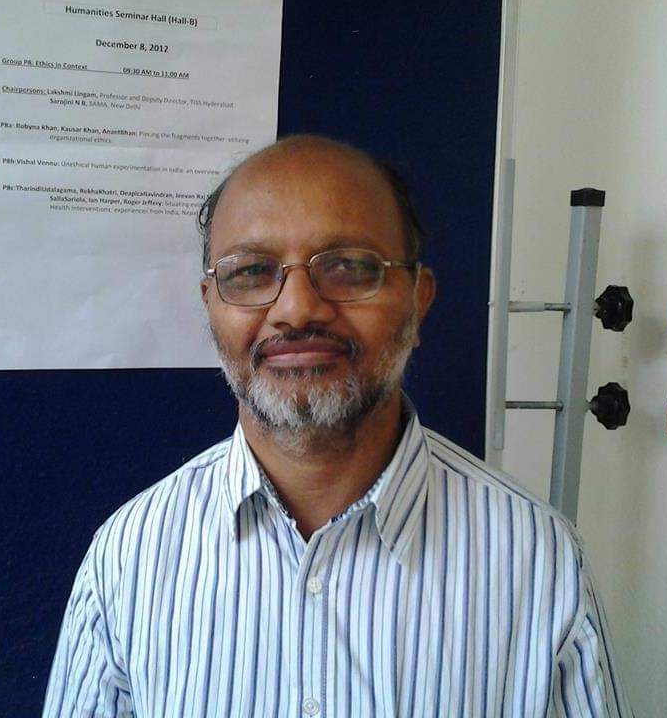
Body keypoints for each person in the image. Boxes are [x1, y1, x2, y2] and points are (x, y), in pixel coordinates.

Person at [42, 135, 632, 717]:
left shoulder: (539, 560)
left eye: (349, 267)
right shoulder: (127, 560)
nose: (297, 309)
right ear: (211, 305)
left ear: (418, 300)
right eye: (252, 271)